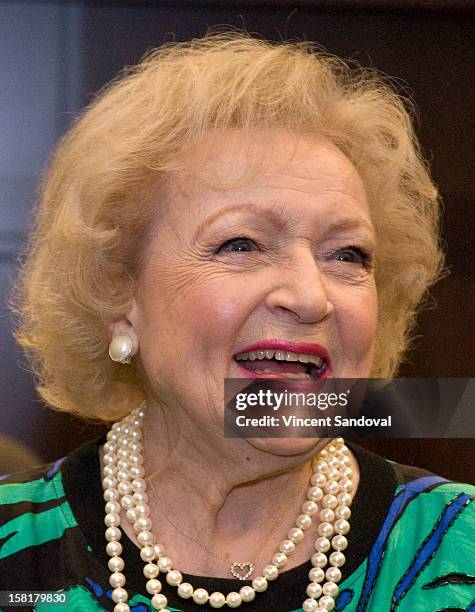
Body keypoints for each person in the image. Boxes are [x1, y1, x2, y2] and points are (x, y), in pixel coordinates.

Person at [0, 33, 473, 612]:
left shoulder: (459, 547)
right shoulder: (14, 552)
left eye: (347, 254)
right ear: (118, 292)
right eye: (241, 244)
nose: (310, 296)